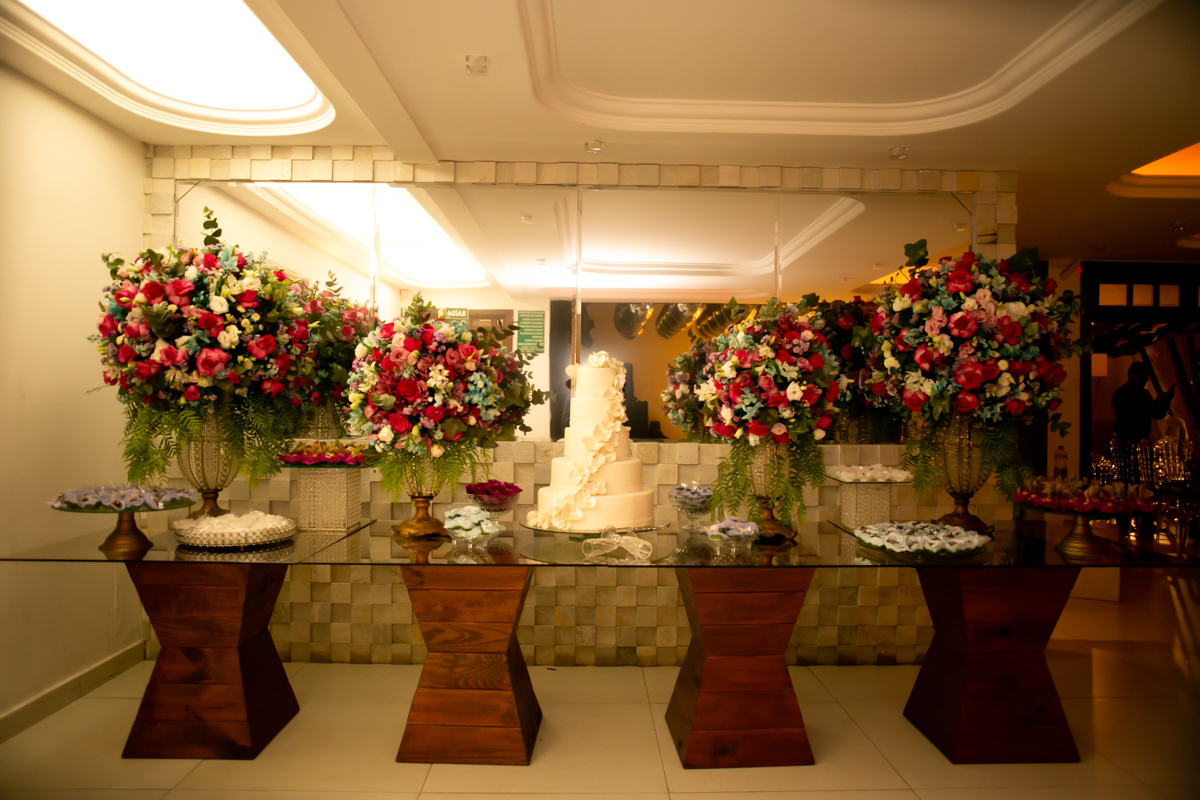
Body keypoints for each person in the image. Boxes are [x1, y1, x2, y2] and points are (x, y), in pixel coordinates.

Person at [1112, 361, 1174, 443]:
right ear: (1133, 375)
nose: (1147, 379)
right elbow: (1134, 413)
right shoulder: (1124, 394)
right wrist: (1161, 401)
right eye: (1144, 376)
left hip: (1132, 439)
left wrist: (1166, 400)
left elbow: (1157, 413)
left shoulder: (1121, 393)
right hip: (1129, 440)